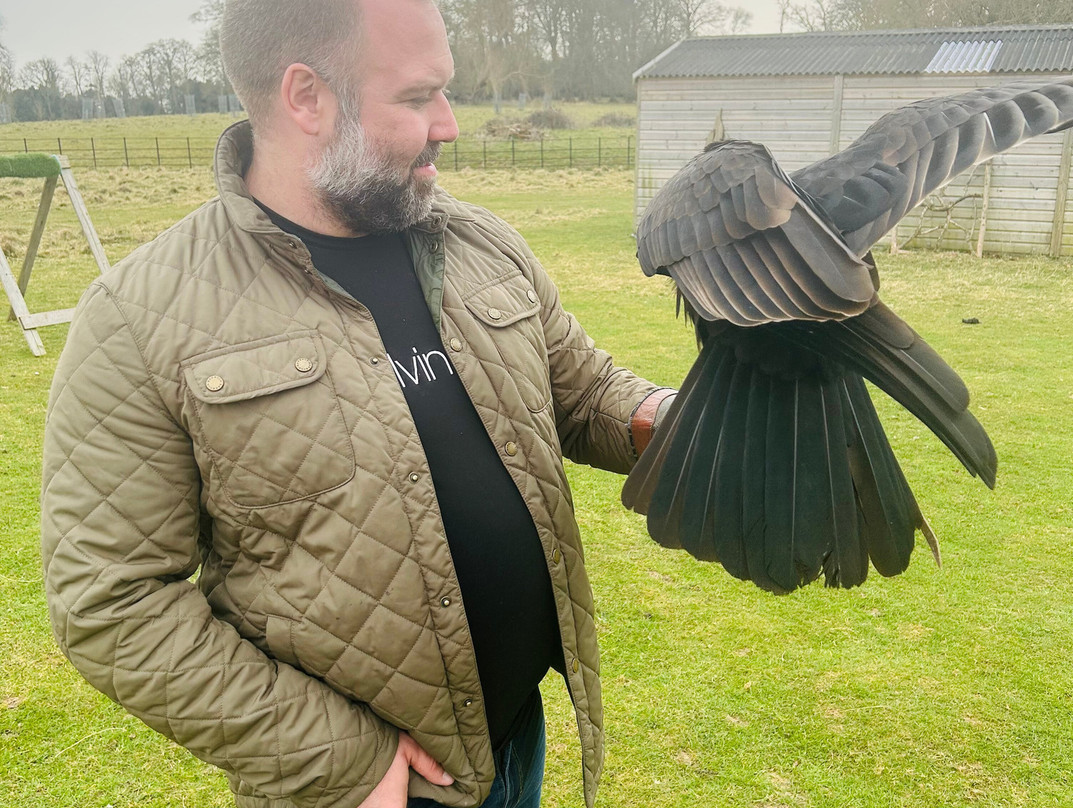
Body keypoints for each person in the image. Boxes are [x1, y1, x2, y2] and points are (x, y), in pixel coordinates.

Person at [39, 1, 675, 807]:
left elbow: (582, 392)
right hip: (367, 790)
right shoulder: (139, 317)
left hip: (518, 739)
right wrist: (342, 760)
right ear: (307, 97)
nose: (449, 125)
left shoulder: (479, 244)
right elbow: (112, 600)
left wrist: (682, 418)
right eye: (416, 97)